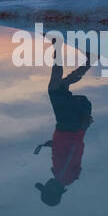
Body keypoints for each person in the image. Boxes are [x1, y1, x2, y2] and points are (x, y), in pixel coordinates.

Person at [33, 42, 94, 206]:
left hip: (68, 127)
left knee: (61, 86)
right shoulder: (63, 176)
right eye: (47, 188)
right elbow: (75, 149)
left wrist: (51, 144)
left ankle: (89, 61)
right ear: (53, 191)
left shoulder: (63, 177)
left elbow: (65, 151)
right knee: (54, 88)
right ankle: (58, 48)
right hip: (68, 125)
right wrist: (83, 127)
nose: (46, 184)